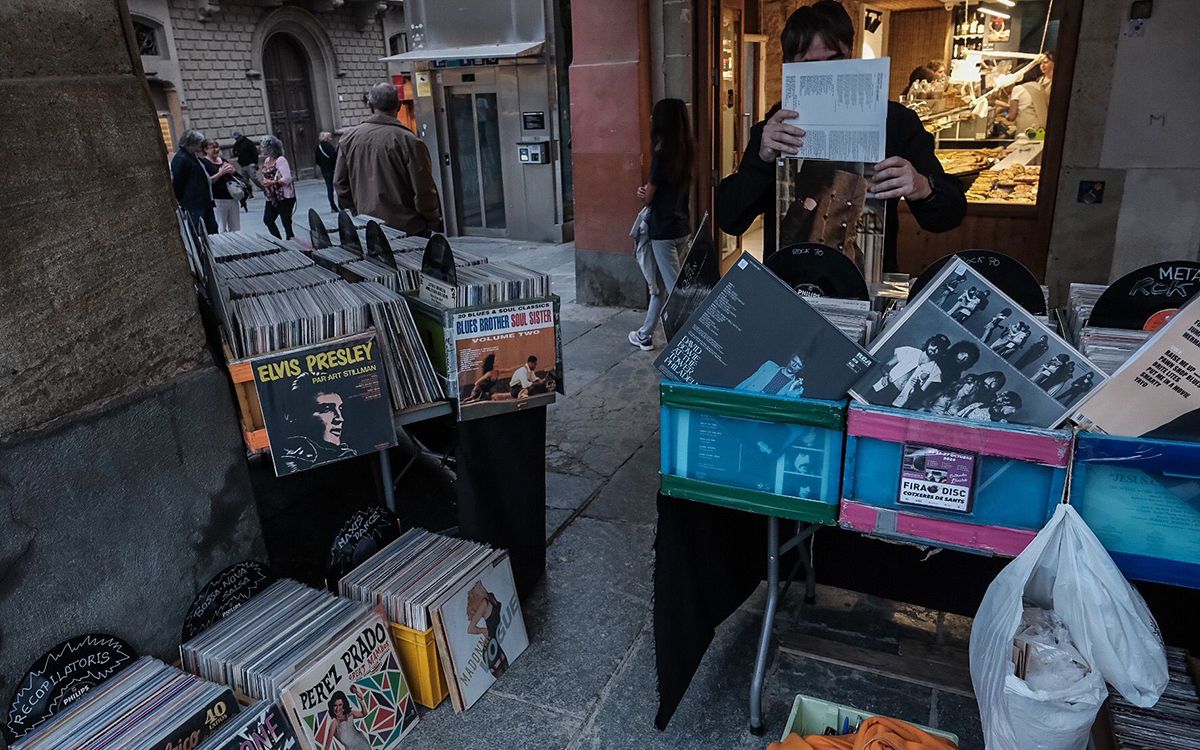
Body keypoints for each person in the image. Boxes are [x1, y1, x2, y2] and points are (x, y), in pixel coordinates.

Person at [715, 1, 965, 274]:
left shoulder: (895, 122)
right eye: (810, 66)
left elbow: (949, 215)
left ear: (851, 56)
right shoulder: (776, 127)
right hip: (788, 285)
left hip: (863, 286)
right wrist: (762, 160)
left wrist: (922, 187)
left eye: (835, 62)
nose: (825, 75)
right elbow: (730, 219)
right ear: (790, 67)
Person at [334, 82, 443, 236]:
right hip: (408, 228)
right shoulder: (409, 141)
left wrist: (356, 211)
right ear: (398, 106)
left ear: (370, 106)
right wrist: (433, 219)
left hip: (369, 227)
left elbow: (340, 185)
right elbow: (424, 191)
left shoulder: (348, 138)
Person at [629, 99, 694, 351]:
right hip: (681, 227)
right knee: (660, 286)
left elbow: (650, 196)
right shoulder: (687, 149)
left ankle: (690, 340)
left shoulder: (661, 154)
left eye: (654, 116)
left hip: (662, 232)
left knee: (674, 290)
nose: (650, 120)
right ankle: (645, 334)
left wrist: (643, 192)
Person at [868, 334, 949, 405]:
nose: (934, 349)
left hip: (897, 400)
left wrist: (917, 386)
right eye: (934, 344)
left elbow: (921, 394)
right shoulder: (909, 351)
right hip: (882, 387)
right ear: (929, 342)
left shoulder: (935, 371)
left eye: (939, 348)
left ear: (942, 352)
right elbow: (885, 366)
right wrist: (886, 376)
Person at [170, 129, 217, 234]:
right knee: (199, 232)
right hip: (194, 203)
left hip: (203, 201)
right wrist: (182, 201)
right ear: (191, 144)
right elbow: (177, 182)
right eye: (199, 144)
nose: (201, 146)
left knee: (211, 230)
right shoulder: (181, 158)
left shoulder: (192, 156)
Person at [466, 581, 510, 678]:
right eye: (474, 587)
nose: (477, 584)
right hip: (490, 648)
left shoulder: (490, 596)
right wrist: (484, 631)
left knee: (508, 675)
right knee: (503, 677)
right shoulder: (484, 604)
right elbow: (470, 629)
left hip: (495, 644)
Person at [200, 139, 241, 233]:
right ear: (205, 150)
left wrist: (233, 171)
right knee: (221, 228)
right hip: (218, 200)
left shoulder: (223, 160)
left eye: (217, 147)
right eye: (213, 148)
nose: (216, 150)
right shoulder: (204, 163)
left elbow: (236, 176)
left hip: (232, 198)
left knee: (236, 229)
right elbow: (206, 182)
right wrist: (220, 173)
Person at [260, 135, 296, 240]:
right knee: (268, 219)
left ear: (270, 148)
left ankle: (292, 243)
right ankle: (278, 241)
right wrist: (266, 181)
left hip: (284, 196)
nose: (261, 149)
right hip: (272, 196)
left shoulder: (281, 160)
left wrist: (272, 182)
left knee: (286, 222)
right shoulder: (267, 160)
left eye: (263, 147)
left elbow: (287, 178)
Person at [1009, 52, 1054, 135]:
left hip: (1032, 126)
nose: (1042, 65)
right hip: (1041, 124)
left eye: (1046, 62)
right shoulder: (1039, 82)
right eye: (1040, 63)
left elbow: (1012, 116)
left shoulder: (1057, 83)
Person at [736, 353, 806, 397]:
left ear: (801, 369)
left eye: (798, 365)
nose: (793, 365)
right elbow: (750, 379)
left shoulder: (797, 389)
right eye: (793, 361)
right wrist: (734, 392)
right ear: (790, 359)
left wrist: (792, 387)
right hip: (748, 398)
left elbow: (788, 405)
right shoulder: (769, 366)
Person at [231, 129, 262, 196]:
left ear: (240, 136)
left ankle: (264, 188)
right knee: (245, 181)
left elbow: (255, 152)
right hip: (243, 164)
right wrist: (235, 153)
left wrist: (255, 162)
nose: (236, 140)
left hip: (250, 163)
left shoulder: (248, 143)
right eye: (235, 139)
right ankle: (249, 193)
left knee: (254, 178)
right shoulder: (236, 144)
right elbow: (234, 152)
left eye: (237, 138)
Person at [315, 131, 339, 213]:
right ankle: (341, 205)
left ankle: (333, 206)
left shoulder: (318, 148)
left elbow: (317, 161)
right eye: (330, 137)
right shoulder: (329, 146)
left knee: (329, 188)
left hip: (324, 171)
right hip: (332, 169)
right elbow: (334, 158)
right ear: (327, 138)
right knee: (338, 186)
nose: (331, 139)